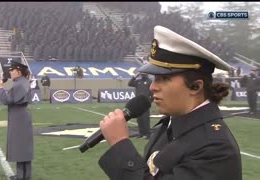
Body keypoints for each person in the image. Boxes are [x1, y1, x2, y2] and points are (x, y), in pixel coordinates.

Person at [98, 26, 242, 180]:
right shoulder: (171, 122)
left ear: (196, 86)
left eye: (164, 79)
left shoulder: (216, 149)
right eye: (154, 78)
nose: (152, 87)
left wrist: (121, 146)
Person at [0, 61, 33, 180]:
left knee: (19, 148)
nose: (10, 72)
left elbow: (8, 100)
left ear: (18, 71)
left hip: (18, 118)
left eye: (12, 70)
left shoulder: (19, 84)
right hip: (22, 116)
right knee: (24, 149)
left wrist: (0, 88)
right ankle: (25, 175)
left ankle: (21, 177)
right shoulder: (23, 82)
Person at [128, 73, 153, 139]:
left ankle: (147, 134)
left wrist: (150, 101)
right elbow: (130, 84)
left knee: (145, 119)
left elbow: (152, 93)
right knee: (139, 119)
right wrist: (134, 76)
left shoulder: (149, 81)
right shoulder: (138, 81)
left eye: (144, 74)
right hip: (138, 103)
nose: (142, 75)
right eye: (142, 74)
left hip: (145, 103)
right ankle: (141, 133)